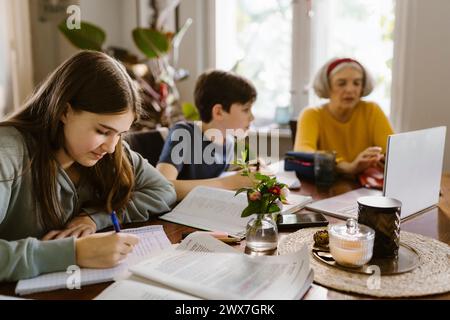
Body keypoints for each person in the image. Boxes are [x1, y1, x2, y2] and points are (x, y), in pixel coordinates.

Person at [0, 51, 177, 282]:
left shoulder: (111, 154)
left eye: (120, 134)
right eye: (102, 131)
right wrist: (74, 252)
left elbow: (163, 191)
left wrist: (95, 218)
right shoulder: (8, 152)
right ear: (64, 111)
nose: (112, 147)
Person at [157, 70, 257, 200]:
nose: (252, 117)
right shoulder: (183, 134)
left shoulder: (229, 142)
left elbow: (214, 181)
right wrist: (232, 181)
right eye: (245, 109)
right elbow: (161, 188)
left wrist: (244, 174)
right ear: (219, 112)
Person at [294, 57, 394, 175]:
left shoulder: (372, 110)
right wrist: (346, 166)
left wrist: (380, 158)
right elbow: (303, 152)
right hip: (327, 184)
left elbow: (393, 151)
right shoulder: (311, 114)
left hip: (365, 186)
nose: (350, 89)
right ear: (327, 86)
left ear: (362, 87)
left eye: (357, 83)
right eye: (341, 83)